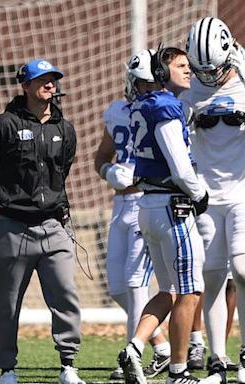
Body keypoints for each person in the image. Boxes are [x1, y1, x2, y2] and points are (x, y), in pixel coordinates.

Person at [0, 58, 84, 384]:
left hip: (54, 227)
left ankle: (68, 365)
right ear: (25, 85)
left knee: (65, 294)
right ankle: (7, 369)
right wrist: (3, 202)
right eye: (42, 79)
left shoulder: (65, 129)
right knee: (6, 302)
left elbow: (62, 170)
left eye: (53, 79)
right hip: (10, 228)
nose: (50, 84)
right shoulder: (2, 125)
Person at [117, 46, 212, 384]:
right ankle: (178, 371)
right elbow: (180, 166)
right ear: (160, 72)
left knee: (168, 291)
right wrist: (200, 194)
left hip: (149, 206)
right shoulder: (165, 106)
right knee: (190, 291)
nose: (188, 70)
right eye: (180, 65)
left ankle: (133, 347)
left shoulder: (142, 105)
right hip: (172, 207)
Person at [94, 49, 171, 380]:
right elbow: (100, 157)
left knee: (135, 285)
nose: (148, 90)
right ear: (131, 82)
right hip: (119, 205)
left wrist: (141, 176)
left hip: (148, 202)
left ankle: (130, 359)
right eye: (143, 84)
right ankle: (161, 346)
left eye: (153, 84)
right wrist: (109, 173)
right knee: (116, 287)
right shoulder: (118, 112)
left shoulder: (165, 113)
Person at [182, 16, 245, 381]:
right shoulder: (191, 94)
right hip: (206, 198)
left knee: (242, 268)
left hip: (241, 193)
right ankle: (218, 359)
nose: (207, 76)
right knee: (211, 277)